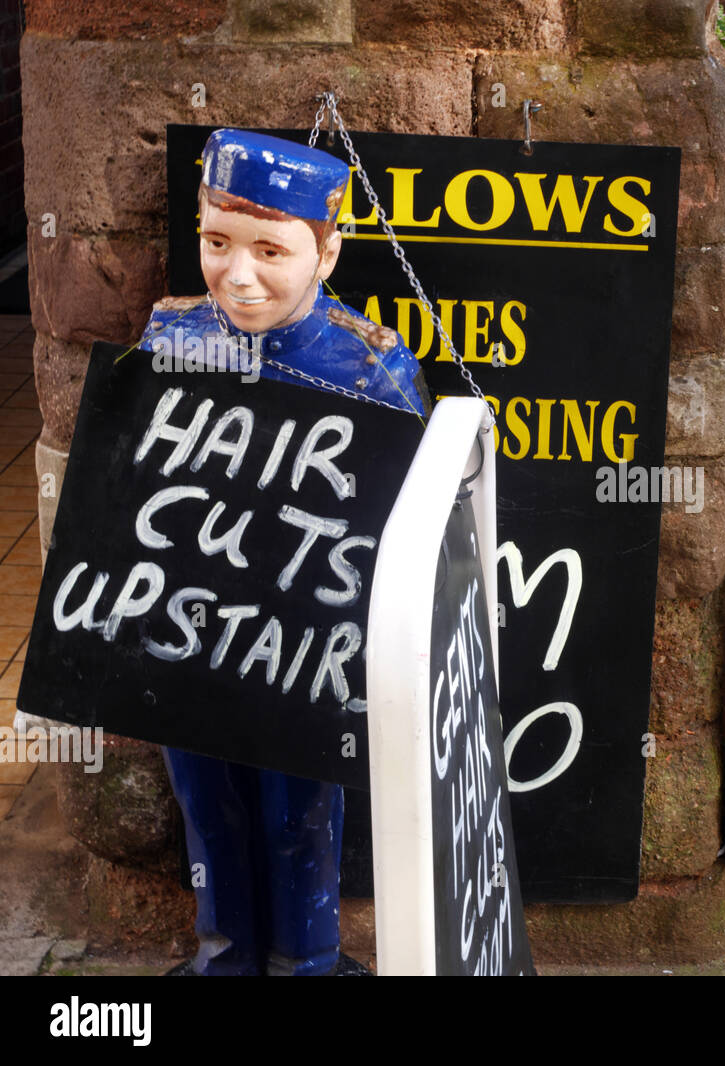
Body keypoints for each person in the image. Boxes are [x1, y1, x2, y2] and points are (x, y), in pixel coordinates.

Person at [140, 128, 427, 975]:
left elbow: (406, 516)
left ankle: (308, 956)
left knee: (301, 796)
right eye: (216, 242)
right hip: (188, 625)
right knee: (205, 795)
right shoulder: (169, 338)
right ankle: (222, 952)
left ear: (326, 250)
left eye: (271, 249)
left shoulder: (371, 369)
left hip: (310, 640)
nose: (238, 274)